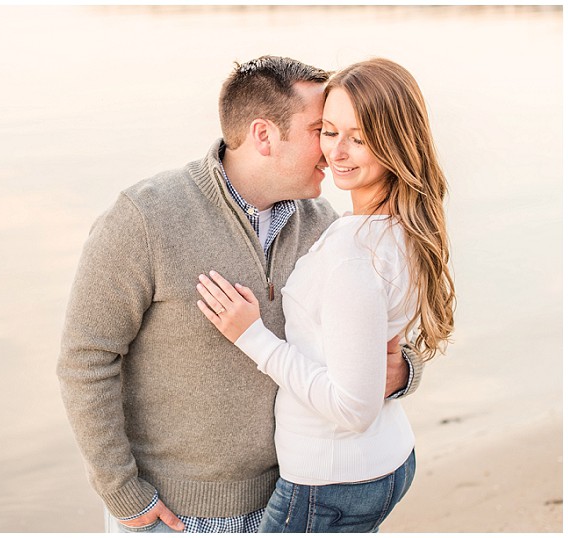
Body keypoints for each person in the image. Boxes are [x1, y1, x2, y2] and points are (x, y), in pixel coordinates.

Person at [57, 55, 425, 534]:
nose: (332, 149)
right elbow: (86, 359)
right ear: (264, 135)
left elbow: (375, 337)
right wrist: (122, 491)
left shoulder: (323, 226)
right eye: (321, 129)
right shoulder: (146, 218)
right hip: (175, 514)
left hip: (291, 498)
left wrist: (403, 373)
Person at [196, 57, 455, 533]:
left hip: (329, 481)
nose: (337, 151)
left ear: (397, 141)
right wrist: (403, 372)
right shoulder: (408, 228)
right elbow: (376, 354)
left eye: (360, 138)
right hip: (383, 462)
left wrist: (251, 336)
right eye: (329, 131)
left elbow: (352, 409)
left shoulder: (350, 253)